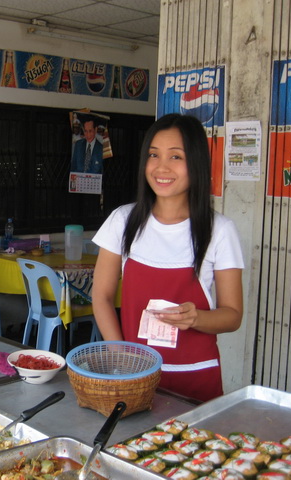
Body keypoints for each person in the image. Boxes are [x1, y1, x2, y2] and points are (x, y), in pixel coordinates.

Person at [91, 113, 244, 403]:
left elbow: (233, 315)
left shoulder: (219, 230)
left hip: (196, 376)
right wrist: (123, 357)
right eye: (153, 155)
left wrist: (196, 318)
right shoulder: (122, 221)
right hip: (136, 374)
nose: (161, 167)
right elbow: (101, 296)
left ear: (196, 164)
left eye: (176, 157)